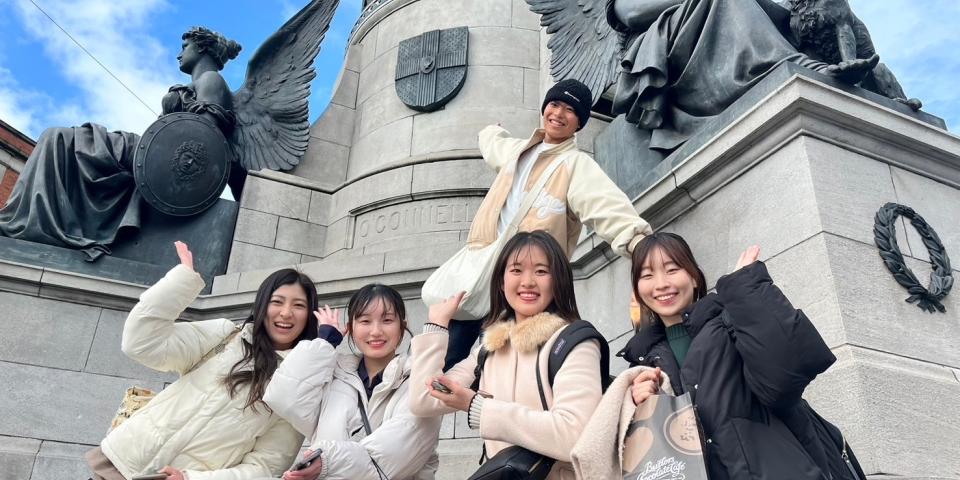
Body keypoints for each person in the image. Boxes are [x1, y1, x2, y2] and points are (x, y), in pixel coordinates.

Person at [442, 78, 652, 369]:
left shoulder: (576, 165)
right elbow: (492, 146)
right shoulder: (518, 151)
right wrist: (492, 130)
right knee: (446, 361)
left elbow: (604, 204)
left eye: (570, 109)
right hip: (481, 272)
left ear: (579, 122)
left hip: (526, 282)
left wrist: (641, 246)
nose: (558, 113)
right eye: (554, 104)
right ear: (544, 108)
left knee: (495, 367)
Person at [620, 232, 866, 479]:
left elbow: (785, 378)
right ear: (638, 289)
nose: (661, 283)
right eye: (647, 275)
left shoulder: (731, 322)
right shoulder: (642, 360)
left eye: (672, 270)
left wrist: (745, 290)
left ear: (694, 277)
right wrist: (643, 402)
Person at [0, 27, 239, 259]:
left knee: (59, 139)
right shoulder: (201, 82)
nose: (179, 53)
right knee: (56, 138)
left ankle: (36, 223)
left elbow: (204, 141)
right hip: (151, 152)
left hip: (158, 157)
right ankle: (36, 220)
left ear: (202, 48)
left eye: (185, 46)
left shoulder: (211, 81)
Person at [86, 241, 315, 480]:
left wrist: (191, 478)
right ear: (261, 305)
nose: (286, 313)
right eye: (277, 301)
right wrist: (182, 282)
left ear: (309, 315)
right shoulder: (225, 336)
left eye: (298, 305)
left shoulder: (297, 387)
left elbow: (265, 467)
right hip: (122, 464)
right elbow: (140, 343)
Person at [410, 231, 604, 480]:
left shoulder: (574, 341)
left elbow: (575, 434)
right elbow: (423, 401)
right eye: (516, 270)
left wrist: (477, 407)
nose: (528, 282)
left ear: (558, 281)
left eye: (541, 271)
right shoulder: (489, 348)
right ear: (501, 282)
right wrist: (437, 326)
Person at [263, 284, 442, 480]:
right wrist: (324, 342)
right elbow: (282, 398)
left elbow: (382, 462)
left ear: (402, 327)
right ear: (350, 329)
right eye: (365, 321)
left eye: (387, 320)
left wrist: (326, 462)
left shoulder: (420, 382)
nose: (375, 331)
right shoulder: (333, 377)